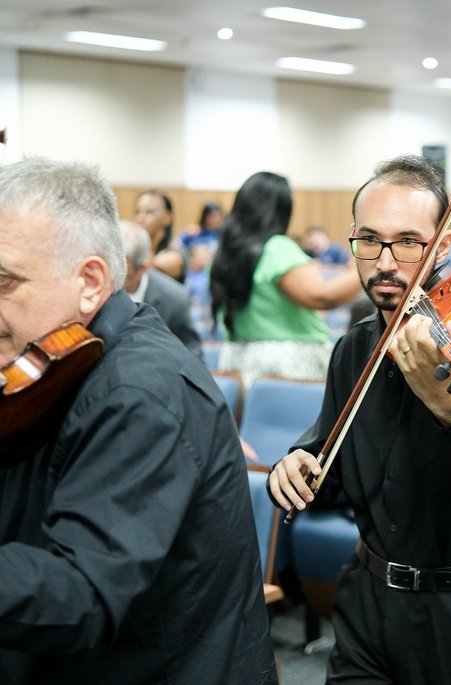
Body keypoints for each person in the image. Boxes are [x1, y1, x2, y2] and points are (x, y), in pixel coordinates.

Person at [268, 154, 451, 684]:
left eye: (407, 242)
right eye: (370, 240)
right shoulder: (354, 348)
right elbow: (327, 457)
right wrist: (298, 465)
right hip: (366, 608)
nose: (385, 261)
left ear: (440, 246)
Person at [0, 158, 275, 683]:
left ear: (89, 282)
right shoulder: (39, 365)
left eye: (4, 280)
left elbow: (80, 592)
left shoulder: (142, 389)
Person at [208, 171, 362, 389]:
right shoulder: (276, 248)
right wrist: (369, 267)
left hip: (237, 362)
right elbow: (322, 297)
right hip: (287, 367)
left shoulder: (225, 252)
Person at [121, 220, 203, 359]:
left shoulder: (175, 298)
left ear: (142, 268)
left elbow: (192, 354)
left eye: (125, 277)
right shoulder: (97, 291)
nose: (116, 282)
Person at [135, 188, 186, 282]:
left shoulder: (175, 253)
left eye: (149, 212)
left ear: (167, 217)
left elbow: (147, 267)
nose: (140, 218)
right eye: (138, 212)